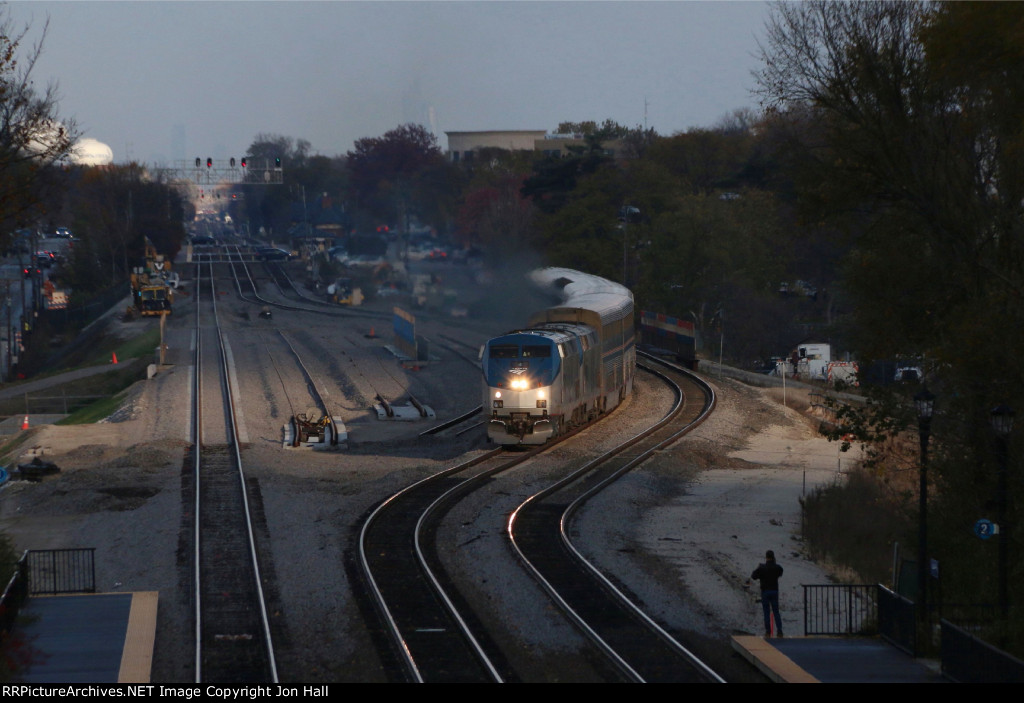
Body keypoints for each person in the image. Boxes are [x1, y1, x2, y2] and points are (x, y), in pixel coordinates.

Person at [751, 550, 784, 637]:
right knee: (776, 612)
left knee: (766, 612)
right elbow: (780, 571)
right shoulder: (777, 567)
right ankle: (780, 631)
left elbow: (753, 576)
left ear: (766, 557)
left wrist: (758, 568)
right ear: (773, 557)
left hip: (765, 591)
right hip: (774, 591)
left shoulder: (762, 568)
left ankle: (768, 631)